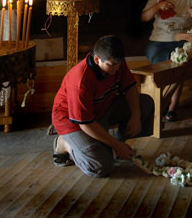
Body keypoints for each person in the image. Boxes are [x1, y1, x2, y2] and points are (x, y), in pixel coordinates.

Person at [51, 35, 154, 177]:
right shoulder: (81, 81)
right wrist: (116, 145)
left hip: (101, 109)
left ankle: (115, 147)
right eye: (111, 65)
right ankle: (65, 143)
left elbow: (130, 87)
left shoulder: (116, 62)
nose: (116, 69)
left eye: (119, 64)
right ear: (97, 60)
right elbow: (85, 124)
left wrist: (135, 116)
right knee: (100, 167)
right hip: (73, 122)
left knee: (145, 103)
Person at [141, 0, 192, 122]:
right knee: (163, 67)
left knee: (179, 64)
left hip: (182, 40)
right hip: (158, 41)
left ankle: (172, 107)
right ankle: (159, 106)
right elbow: (144, 17)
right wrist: (157, 6)